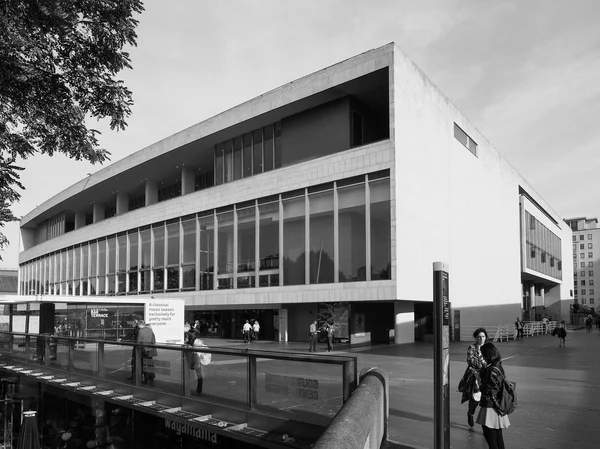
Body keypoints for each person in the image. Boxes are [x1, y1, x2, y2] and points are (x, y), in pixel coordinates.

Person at [477, 342, 510, 449]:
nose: (482, 357)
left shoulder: (491, 371)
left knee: (491, 441)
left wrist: (477, 378)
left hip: (489, 408)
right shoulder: (499, 367)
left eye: (483, 355)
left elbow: (485, 390)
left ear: (488, 355)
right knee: (499, 439)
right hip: (497, 406)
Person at [461, 327, 488, 427]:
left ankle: (485, 421)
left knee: (486, 398)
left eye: (483, 336)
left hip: (486, 376)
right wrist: (484, 363)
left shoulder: (488, 347)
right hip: (475, 375)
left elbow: (494, 358)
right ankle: (470, 413)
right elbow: (471, 361)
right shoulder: (472, 348)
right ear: (475, 338)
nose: (481, 339)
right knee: (475, 399)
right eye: (479, 337)